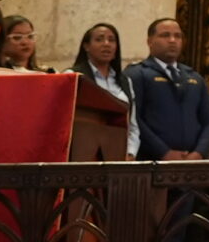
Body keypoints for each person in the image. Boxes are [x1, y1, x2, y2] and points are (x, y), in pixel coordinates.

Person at [131, 17, 209, 242]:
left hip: (185, 171)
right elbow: (136, 120)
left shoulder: (193, 78)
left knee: (175, 238)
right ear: (150, 40)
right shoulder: (138, 75)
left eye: (178, 35)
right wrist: (164, 152)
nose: (172, 40)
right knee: (147, 238)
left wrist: (197, 153)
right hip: (153, 169)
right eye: (165, 35)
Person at [69, 23, 167, 160]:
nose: (106, 44)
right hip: (83, 153)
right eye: (99, 39)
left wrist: (131, 153)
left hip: (117, 155)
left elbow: (133, 124)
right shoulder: (74, 76)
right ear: (86, 46)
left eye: (111, 40)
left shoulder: (125, 81)